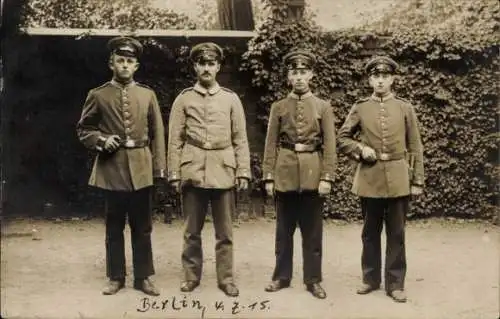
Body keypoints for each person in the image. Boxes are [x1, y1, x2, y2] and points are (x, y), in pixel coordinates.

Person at [76, 36, 166, 296]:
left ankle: (144, 277)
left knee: (143, 226)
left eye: (130, 61)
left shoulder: (147, 95)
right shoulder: (98, 95)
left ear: (136, 66)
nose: (125, 65)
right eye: (120, 60)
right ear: (111, 63)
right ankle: (116, 277)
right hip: (112, 168)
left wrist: (158, 168)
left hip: (141, 166)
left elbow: (158, 133)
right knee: (114, 225)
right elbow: (84, 129)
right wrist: (102, 140)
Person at [337, 55, 425, 303]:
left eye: (385, 76)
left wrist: (417, 179)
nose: (380, 81)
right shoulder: (360, 107)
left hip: (398, 177)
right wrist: (360, 149)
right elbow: (343, 138)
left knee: (396, 232)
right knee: (370, 232)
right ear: (369, 79)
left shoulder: (405, 107)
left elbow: (415, 145)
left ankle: (395, 284)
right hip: (370, 177)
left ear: (393, 79)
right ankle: (371, 278)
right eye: (376, 76)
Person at [167, 42, 251, 297]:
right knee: (192, 230)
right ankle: (191, 277)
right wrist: (174, 173)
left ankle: (226, 279)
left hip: (223, 171)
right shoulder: (184, 99)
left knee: (224, 232)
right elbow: (175, 139)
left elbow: (240, 138)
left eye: (211, 63)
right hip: (193, 170)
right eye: (202, 63)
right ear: (195, 66)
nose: (206, 68)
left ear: (218, 67)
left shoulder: (230, 99)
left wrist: (243, 170)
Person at [261, 49, 337, 299]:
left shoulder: (323, 107)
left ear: (311, 74)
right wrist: (269, 176)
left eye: (304, 72)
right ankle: (281, 277)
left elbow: (330, 145)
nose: (300, 77)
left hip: (313, 174)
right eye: (295, 72)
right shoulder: (279, 107)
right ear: (289, 77)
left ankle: (313, 279)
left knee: (312, 232)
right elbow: (270, 143)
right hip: (285, 173)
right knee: (284, 231)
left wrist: (327, 177)